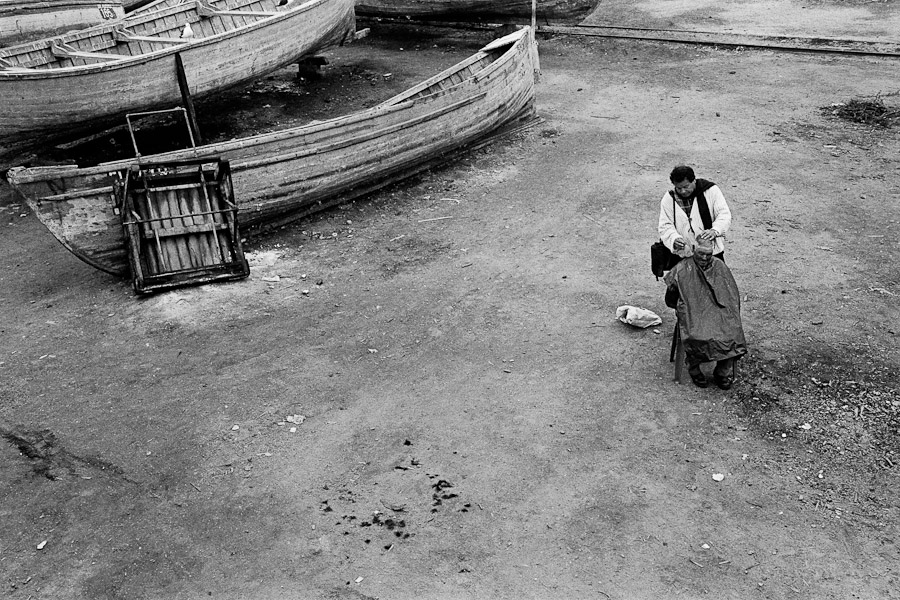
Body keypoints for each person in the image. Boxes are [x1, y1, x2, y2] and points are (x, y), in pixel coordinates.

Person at [664, 237, 747, 389]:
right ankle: (694, 368)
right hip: (693, 313)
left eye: (708, 254)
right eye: (701, 253)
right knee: (697, 335)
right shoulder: (682, 269)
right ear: (694, 249)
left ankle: (722, 371)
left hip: (718, 311)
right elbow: (670, 301)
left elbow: (732, 296)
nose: (704, 257)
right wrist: (678, 297)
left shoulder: (719, 266)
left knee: (733, 334)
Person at [658, 165, 731, 263]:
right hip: (683, 256)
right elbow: (665, 226)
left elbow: (723, 214)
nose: (683, 191)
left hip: (710, 253)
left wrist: (715, 230)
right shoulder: (669, 199)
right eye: (679, 188)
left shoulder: (711, 191)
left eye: (686, 186)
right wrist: (674, 239)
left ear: (694, 181)